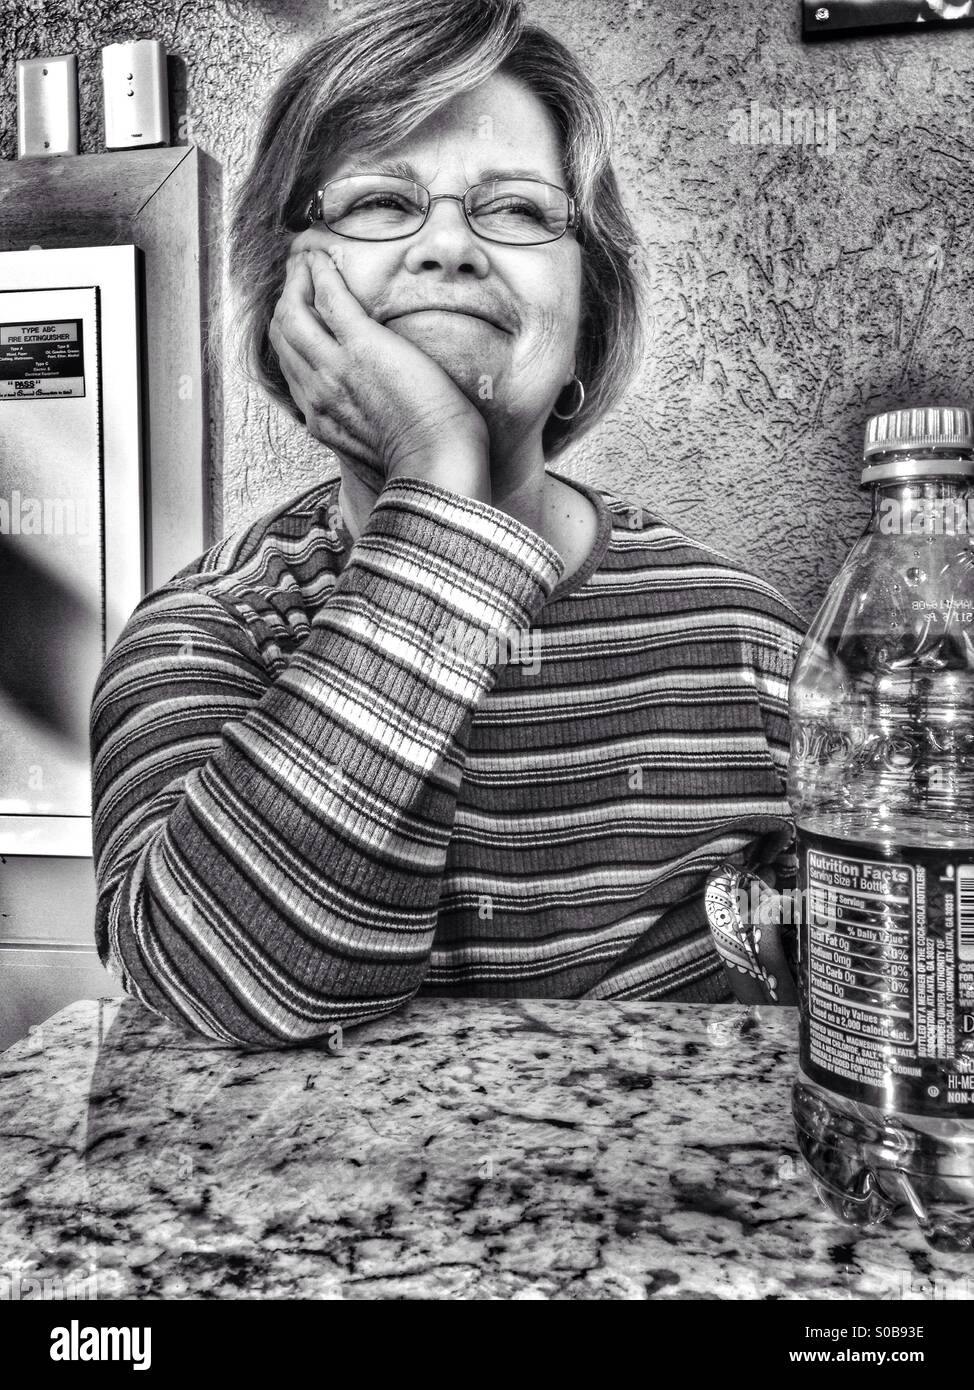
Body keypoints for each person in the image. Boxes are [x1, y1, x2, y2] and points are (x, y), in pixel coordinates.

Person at [89, 0, 807, 1047]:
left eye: (515, 210)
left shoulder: (748, 643)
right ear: (279, 291)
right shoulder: (207, 635)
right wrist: (437, 474)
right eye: (381, 201)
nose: (447, 248)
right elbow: (226, 990)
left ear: (589, 307)